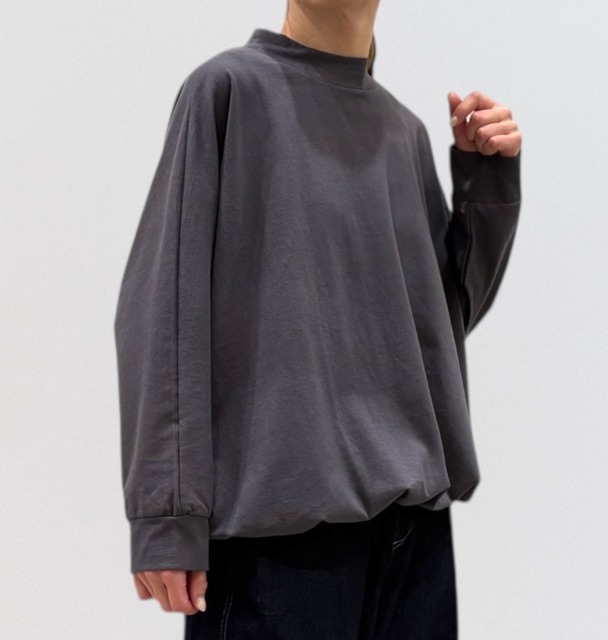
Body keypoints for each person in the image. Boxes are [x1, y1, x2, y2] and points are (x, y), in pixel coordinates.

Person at [113, 0, 522, 637]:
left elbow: (437, 329)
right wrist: (167, 516)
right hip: (276, 548)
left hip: (414, 543)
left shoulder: (403, 132)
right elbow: (165, 309)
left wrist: (487, 184)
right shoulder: (228, 91)